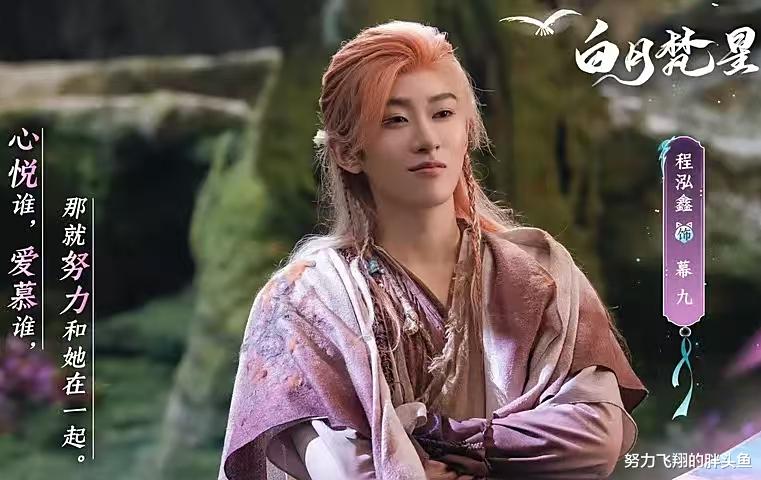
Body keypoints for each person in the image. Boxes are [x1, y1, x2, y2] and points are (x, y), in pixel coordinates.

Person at [218, 20, 648, 480]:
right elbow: (345, 469)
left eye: (443, 113)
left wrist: (435, 436)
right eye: (395, 120)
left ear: (467, 129)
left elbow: (596, 436)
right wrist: (510, 447)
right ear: (349, 152)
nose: (427, 139)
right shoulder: (306, 300)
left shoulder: (538, 273)